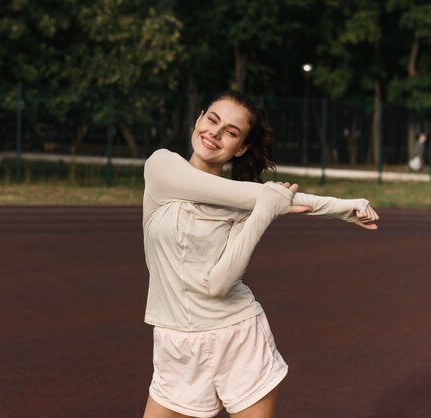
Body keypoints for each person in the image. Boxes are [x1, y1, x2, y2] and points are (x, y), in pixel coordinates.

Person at [141, 90, 379, 418]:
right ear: (198, 120)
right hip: (175, 342)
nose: (215, 133)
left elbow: (219, 285)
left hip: (238, 336)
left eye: (231, 132)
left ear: (240, 148)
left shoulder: (246, 208)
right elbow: (257, 195)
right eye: (212, 120)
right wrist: (328, 206)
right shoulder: (161, 167)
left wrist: (264, 213)